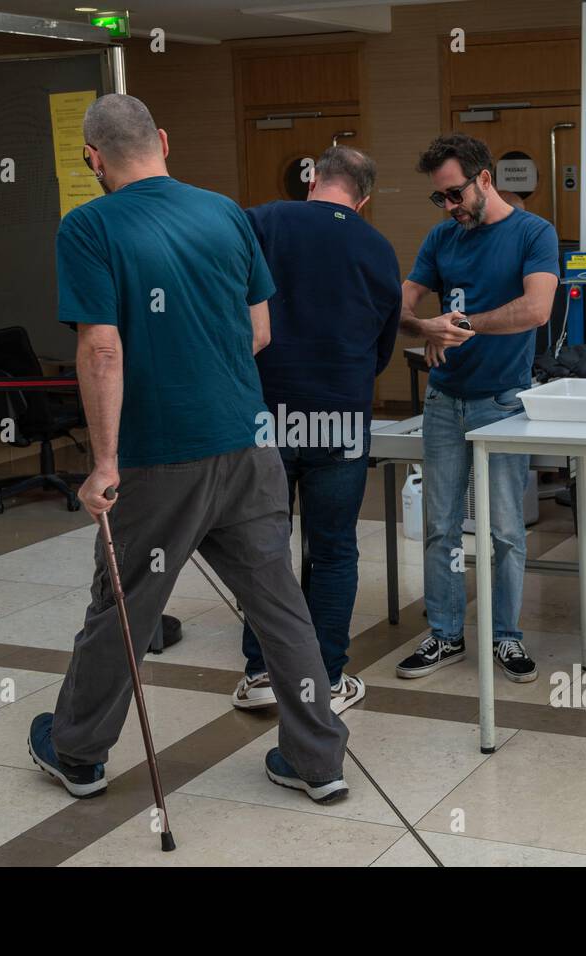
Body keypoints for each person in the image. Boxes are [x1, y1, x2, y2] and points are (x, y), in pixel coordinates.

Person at [28, 94, 349, 805]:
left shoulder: (87, 227)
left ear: (92, 158)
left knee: (124, 606)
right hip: (246, 443)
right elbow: (259, 332)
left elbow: (101, 347)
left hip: (156, 456)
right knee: (280, 607)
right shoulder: (226, 213)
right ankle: (317, 760)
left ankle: (78, 751)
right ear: (164, 140)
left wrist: (104, 462)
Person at [231, 146, 401, 714]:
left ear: (313, 181)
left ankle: (261, 674)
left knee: (264, 550)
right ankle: (325, 679)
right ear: (364, 199)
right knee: (333, 552)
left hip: (264, 416)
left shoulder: (258, 222)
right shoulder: (376, 247)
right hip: (340, 419)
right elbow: (381, 348)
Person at [393, 133, 560, 683]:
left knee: (505, 529)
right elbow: (400, 304)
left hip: (502, 402)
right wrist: (423, 326)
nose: (449, 206)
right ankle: (445, 634)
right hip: (445, 400)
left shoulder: (534, 234)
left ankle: (505, 637)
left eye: (456, 194)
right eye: (439, 197)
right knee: (440, 526)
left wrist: (463, 325)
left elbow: (536, 310)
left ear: (485, 179)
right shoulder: (444, 237)